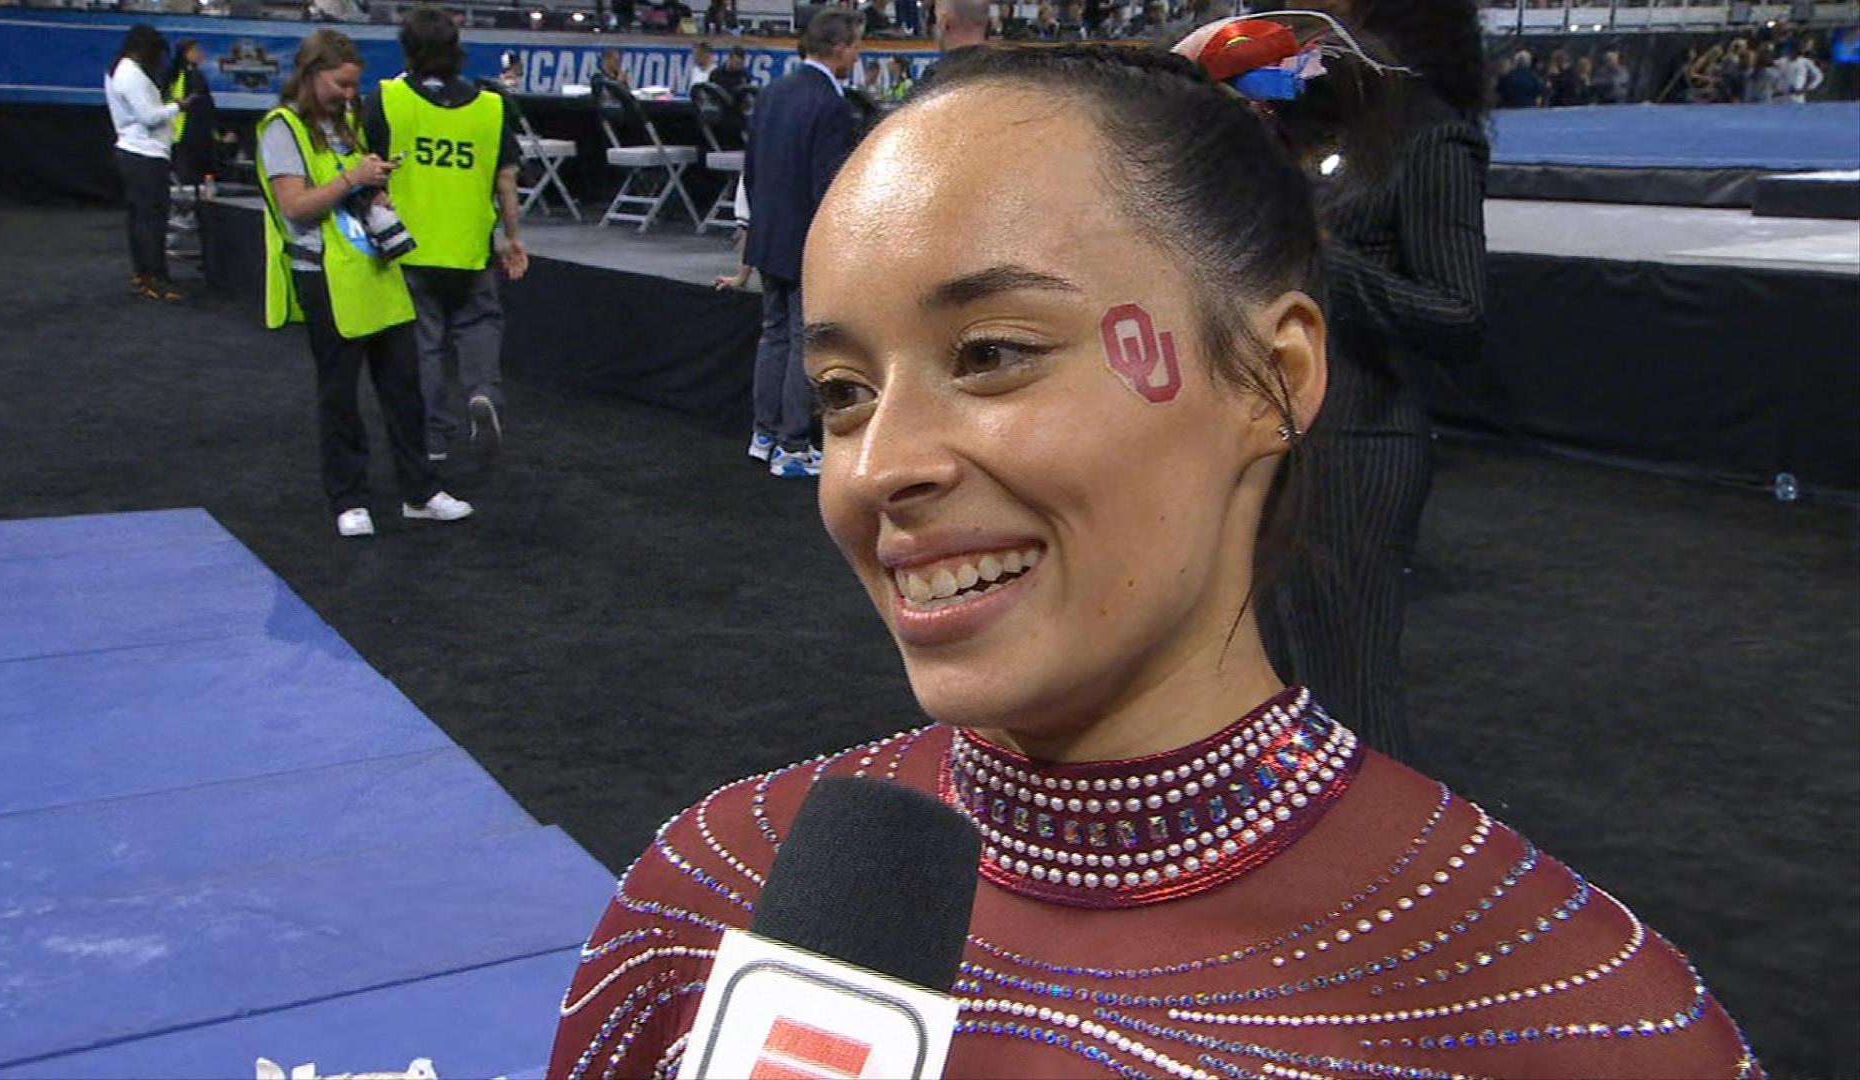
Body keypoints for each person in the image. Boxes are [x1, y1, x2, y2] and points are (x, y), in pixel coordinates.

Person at [544, 42, 1761, 1079]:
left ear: (1271, 379)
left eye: (993, 353)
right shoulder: (707, 898)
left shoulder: (1568, 1016)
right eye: (844, 391)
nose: (877, 469)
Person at [1252, 0, 1488, 762]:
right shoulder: (1319, 123)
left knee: (1349, 686)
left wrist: (1323, 259)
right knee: (1278, 681)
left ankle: (1377, 836)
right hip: (1280, 441)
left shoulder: (1431, 138)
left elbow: (1458, 314)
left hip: (1359, 447)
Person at [256, 29, 473, 537]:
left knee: (404, 388)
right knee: (339, 395)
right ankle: (348, 499)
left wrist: (376, 194)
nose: (351, 94)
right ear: (313, 75)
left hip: (377, 269)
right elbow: (295, 207)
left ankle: (421, 492)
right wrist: (353, 180)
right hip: (326, 276)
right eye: (342, 84)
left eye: (355, 85)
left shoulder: (348, 122)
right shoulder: (282, 128)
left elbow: (352, 186)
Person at [362, 4, 528, 463]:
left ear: (407, 49)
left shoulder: (386, 100)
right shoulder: (492, 107)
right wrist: (512, 238)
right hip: (471, 246)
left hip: (408, 248)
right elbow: (506, 181)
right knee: (480, 323)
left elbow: (365, 169)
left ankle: (434, 437)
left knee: (425, 345)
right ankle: (482, 389)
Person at [739, 8, 862, 478]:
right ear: (839, 48)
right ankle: (792, 448)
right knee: (798, 341)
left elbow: (750, 170)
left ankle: (763, 435)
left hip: (768, 235)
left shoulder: (772, 92)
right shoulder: (830, 105)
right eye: (856, 47)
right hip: (802, 240)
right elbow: (826, 187)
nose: (858, 56)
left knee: (772, 334)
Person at [107, 24, 185, 301]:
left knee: (140, 219)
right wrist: (179, 106)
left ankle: (144, 274)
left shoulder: (121, 70)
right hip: (145, 155)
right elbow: (149, 117)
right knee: (152, 221)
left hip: (137, 153)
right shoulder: (131, 74)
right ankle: (157, 279)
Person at [166, 39, 219, 190]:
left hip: (199, 131)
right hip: (184, 132)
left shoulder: (196, 73)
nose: (200, 54)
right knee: (185, 174)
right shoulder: (180, 73)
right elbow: (175, 99)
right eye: (195, 51)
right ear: (185, 53)